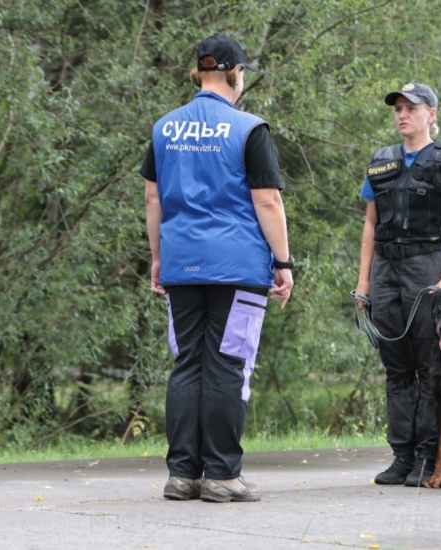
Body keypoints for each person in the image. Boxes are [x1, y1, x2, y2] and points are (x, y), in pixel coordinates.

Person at [140, 34, 294, 503]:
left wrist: (159, 258)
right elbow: (266, 200)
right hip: (238, 267)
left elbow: (152, 197)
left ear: (197, 73)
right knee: (228, 365)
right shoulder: (249, 129)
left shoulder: (164, 128)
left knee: (188, 364)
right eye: (242, 73)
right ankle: (223, 475)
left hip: (182, 264)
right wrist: (284, 262)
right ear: (233, 73)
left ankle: (183, 473)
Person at [355, 83, 441, 486]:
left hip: (429, 267)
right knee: (396, 367)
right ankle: (401, 456)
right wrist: (363, 282)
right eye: (398, 109)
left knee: (429, 366)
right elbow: (371, 223)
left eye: (412, 108)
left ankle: (428, 456)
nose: (402, 114)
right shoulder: (381, 161)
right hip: (387, 269)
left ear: (432, 114)